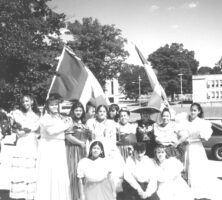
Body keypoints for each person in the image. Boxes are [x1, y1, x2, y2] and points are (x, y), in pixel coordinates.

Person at [176, 102, 222, 200]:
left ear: (198, 111)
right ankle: (187, 187)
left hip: (196, 147)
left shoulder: (201, 123)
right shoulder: (186, 120)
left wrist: (191, 140)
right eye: (191, 110)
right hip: (187, 147)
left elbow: (204, 138)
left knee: (195, 167)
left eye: (195, 110)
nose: (192, 112)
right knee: (186, 166)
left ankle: (195, 188)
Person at [35, 93, 72, 200]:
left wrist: (66, 122)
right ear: (47, 106)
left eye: (56, 104)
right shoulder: (45, 118)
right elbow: (52, 131)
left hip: (59, 147)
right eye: (52, 105)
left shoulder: (60, 117)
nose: (54, 107)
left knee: (59, 173)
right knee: (48, 173)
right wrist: (66, 124)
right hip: (49, 147)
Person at [9, 93, 40, 200]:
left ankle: (30, 194)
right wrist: (17, 130)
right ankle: (19, 194)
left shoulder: (37, 116)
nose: (25, 103)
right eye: (23, 101)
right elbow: (15, 126)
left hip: (32, 141)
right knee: (21, 167)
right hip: (22, 142)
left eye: (27, 101)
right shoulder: (17, 113)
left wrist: (27, 130)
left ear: (31, 101)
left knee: (31, 167)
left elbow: (36, 128)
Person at [65, 100, 92, 200]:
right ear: (73, 111)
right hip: (73, 150)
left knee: (83, 173)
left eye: (80, 111)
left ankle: (83, 196)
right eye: (76, 110)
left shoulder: (85, 124)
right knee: (74, 172)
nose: (78, 112)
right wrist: (80, 143)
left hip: (84, 151)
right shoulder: (70, 122)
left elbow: (89, 137)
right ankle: (73, 196)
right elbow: (67, 136)